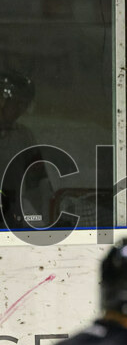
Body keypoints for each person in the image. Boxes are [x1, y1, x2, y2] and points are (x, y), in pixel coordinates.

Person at [0, 69, 54, 229]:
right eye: (16, 102)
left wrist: (47, 220)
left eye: (24, 104)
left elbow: (38, 182)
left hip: (10, 220)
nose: (20, 109)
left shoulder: (24, 136)